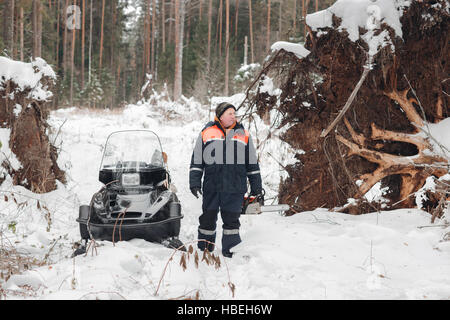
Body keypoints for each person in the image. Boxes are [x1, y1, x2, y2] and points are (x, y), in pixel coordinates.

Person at [189, 102, 263, 258]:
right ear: (220, 115)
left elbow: (252, 164)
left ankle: (231, 250)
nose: (233, 115)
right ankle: (205, 249)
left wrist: (257, 188)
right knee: (208, 218)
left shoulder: (243, 134)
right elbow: (197, 160)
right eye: (229, 113)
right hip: (212, 186)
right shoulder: (207, 132)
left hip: (235, 187)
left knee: (231, 220)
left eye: (234, 113)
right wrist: (194, 183)